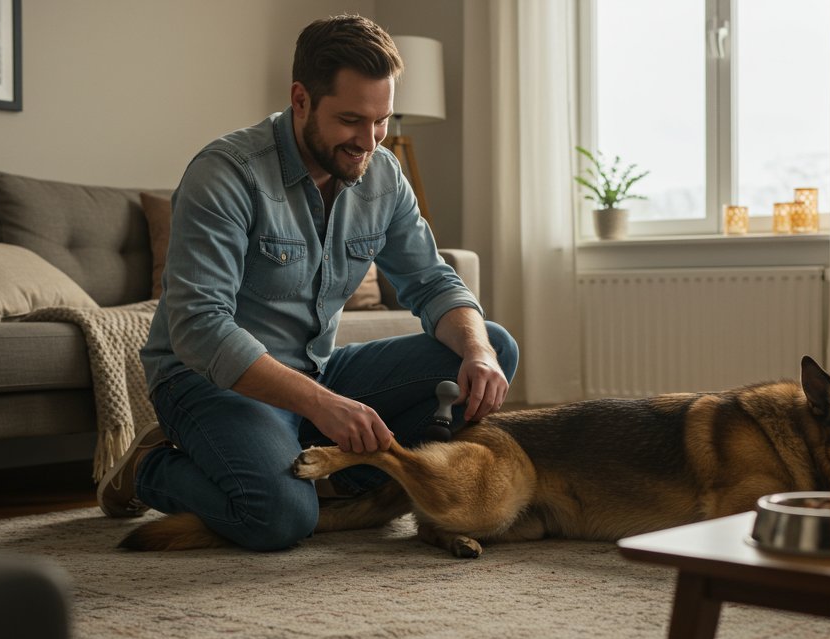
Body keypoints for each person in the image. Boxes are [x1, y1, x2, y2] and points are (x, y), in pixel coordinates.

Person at [97, 14, 518, 552]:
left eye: (381, 120)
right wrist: (323, 406)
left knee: (493, 347)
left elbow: (434, 282)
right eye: (350, 120)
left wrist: (477, 351)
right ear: (300, 99)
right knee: (280, 519)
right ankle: (150, 467)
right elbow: (199, 328)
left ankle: (328, 477)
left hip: (315, 373)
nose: (368, 141)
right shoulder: (226, 173)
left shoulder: (384, 175)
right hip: (208, 382)